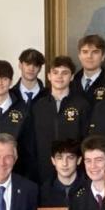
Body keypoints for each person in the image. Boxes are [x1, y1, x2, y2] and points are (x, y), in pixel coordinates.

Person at [32, 55, 91, 184]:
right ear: (49, 76)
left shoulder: (81, 105)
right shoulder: (38, 106)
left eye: (65, 73)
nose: (59, 77)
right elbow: (32, 142)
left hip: (74, 172)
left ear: (72, 77)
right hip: (44, 171)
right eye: (55, 72)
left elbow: (86, 139)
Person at [38, 138, 85, 208]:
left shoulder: (90, 188)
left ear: (78, 160)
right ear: (53, 161)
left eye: (70, 158)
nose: (65, 163)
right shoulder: (43, 192)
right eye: (59, 158)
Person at [71, 34, 105, 106]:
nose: (89, 56)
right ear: (79, 56)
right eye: (85, 52)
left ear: (103, 57)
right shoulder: (71, 81)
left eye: (95, 52)